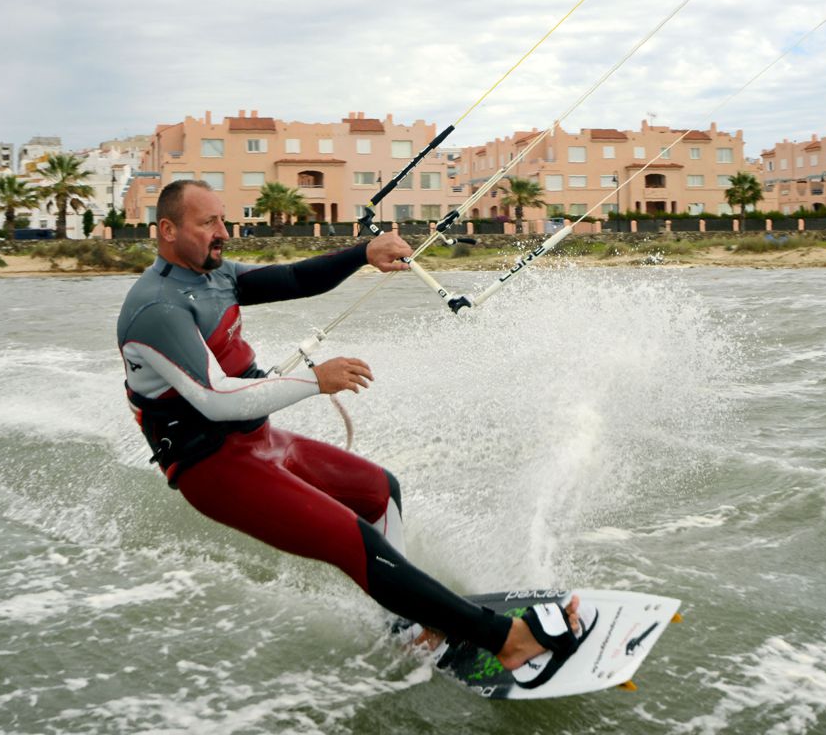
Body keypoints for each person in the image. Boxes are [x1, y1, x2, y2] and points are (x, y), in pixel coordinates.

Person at [116, 179, 590, 683]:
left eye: (222, 219)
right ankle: (507, 641)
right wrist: (314, 380)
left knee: (380, 492)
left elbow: (294, 278)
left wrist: (363, 252)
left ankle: (408, 627)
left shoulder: (212, 277)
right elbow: (214, 399)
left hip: (256, 441)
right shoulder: (157, 307)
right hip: (211, 465)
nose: (224, 232)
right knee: (353, 541)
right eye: (208, 222)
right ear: (167, 230)